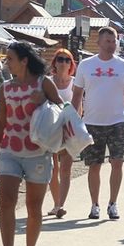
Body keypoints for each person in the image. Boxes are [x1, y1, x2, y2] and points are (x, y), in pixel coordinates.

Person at [0, 41, 62, 246]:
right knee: (6, 202)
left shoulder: (44, 83)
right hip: (10, 150)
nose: (6, 63)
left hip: (38, 153)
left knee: (33, 206)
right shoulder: (5, 88)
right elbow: (0, 123)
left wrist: (46, 102)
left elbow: (64, 111)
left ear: (24, 61)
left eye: (10, 59)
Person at [72, 27, 124, 220]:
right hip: (92, 122)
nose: (111, 45)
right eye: (107, 41)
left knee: (117, 162)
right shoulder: (86, 65)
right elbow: (77, 95)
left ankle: (113, 203)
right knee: (94, 165)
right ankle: (94, 205)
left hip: (117, 121)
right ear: (99, 42)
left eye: (113, 41)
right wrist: (75, 120)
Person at [46, 48, 77, 219]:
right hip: (51, 129)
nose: (63, 62)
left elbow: (79, 106)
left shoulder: (75, 82)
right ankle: (56, 202)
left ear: (71, 64)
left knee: (66, 168)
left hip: (70, 128)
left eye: (67, 60)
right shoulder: (47, 82)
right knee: (52, 168)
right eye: (60, 59)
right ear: (54, 62)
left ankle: (60, 205)